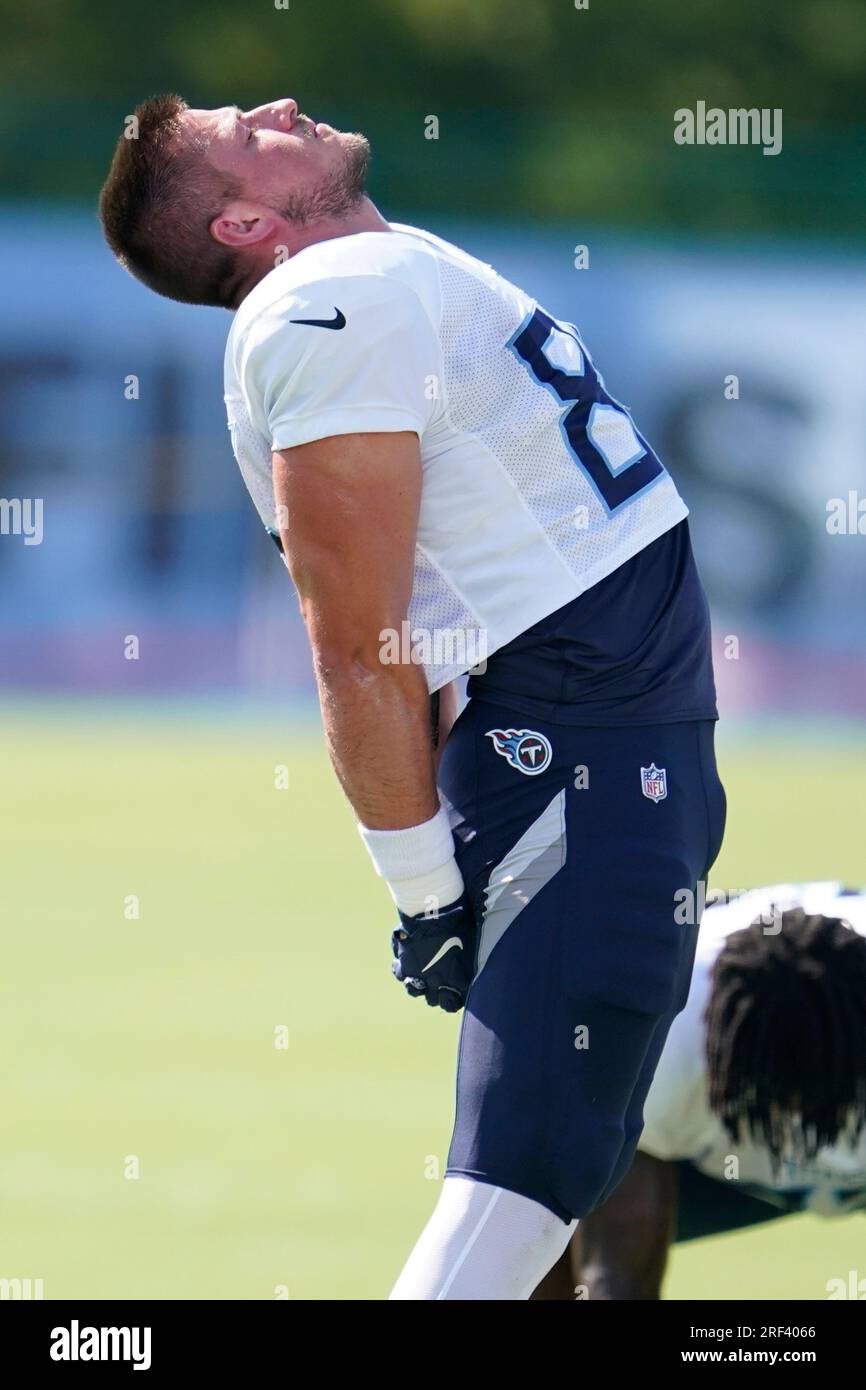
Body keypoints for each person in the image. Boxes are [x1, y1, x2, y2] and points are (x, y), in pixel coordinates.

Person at [99, 95, 725, 1299]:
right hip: (576, 757)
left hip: (610, 743)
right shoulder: (321, 305)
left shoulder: (367, 276)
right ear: (241, 219)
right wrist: (423, 887)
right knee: (518, 1192)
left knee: (559, 1185)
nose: (277, 103)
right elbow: (358, 644)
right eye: (243, 131)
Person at [534, 883, 866, 1300]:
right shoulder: (653, 1035)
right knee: (539, 1244)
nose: (799, 1120)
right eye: (778, 1098)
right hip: (702, 1153)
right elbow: (613, 1279)